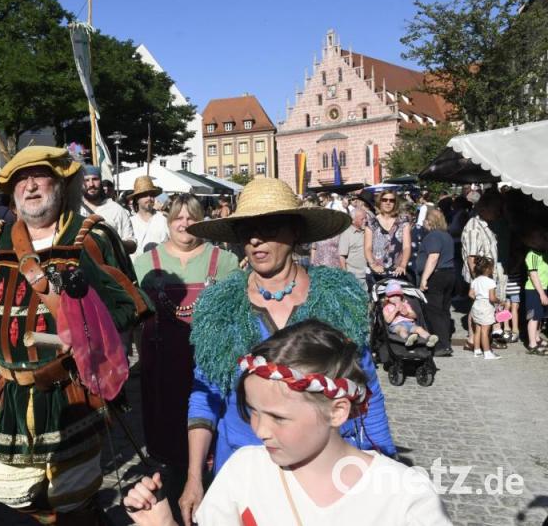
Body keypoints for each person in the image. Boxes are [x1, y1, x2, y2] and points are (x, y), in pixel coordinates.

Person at [177, 178, 396, 526]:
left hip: (327, 470)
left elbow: (366, 387)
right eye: (246, 229)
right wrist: (193, 478)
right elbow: (205, 397)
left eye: (268, 227)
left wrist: (385, 457)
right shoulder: (219, 308)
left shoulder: (339, 298)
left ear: (295, 231)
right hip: (247, 468)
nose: (255, 239)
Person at [0, 146, 149, 524]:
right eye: (20, 180)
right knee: (8, 489)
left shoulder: (90, 237)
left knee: (72, 493)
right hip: (8, 390)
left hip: (70, 390)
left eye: (39, 176)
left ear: (60, 184)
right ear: (11, 192)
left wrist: (85, 326)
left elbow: (130, 304)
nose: (30, 186)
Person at [124, 320, 450, 526]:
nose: (260, 430)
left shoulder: (404, 496)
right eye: (252, 411)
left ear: (337, 411)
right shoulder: (244, 472)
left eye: (279, 417)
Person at [133, 194, 238, 501]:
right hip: (163, 368)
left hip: (209, 366)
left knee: (211, 437)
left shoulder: (226, 261)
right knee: (170, 446)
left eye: (191, 217)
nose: (184, 223)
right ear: (168, 221)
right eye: (178, 217)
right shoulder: (144, 264)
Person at [461, 192, 505, 345]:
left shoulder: (486, 224)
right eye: (497, 208)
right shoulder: (474, 227)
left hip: (486, 276)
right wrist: (477, 281)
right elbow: (471, 258)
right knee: (478, 308)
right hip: (479, 276)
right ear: (486, 208)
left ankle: (483, 338)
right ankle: (472, 339)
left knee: (484, 308)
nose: (499, 212)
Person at [416, 208, 456, 356]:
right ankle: (445, 341)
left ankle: (441, 344)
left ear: (429, 221)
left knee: (434, 311)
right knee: (444, 310)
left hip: (436, 276)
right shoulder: (446, 235)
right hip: (449, 274)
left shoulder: (433, 236)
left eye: (425, 220)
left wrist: (424, 278)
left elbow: (433, 257)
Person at [79, 165, 136, 253]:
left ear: (101, 181)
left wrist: (113, 242)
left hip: (108, 265)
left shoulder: (116, 209)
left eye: (95, 179)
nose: (91, 184)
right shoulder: (75, 209)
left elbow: (132, 245)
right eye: (86, 180)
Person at [364, 190, 412, 286]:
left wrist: (403, 265)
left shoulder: (403, 222)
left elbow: (406, 247)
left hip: (397, 272)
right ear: (380, 202)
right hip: (377, 272)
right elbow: (367, 247)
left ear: (395, 203)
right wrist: (373, 265)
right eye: (384, 200)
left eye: (391, 200)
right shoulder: (371, 222)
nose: (388, 202)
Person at [382, 281, 438, 347]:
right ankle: (408, 338)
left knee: (419, 329)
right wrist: (395, 311)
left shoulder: (405, 304)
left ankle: (430, 338)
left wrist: (407, 314)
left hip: (410, 324)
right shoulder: (386, 307)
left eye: (397, 295)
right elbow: (387, 320)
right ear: (387, 298)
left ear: (401, 296)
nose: (395, 297)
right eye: (392, 296)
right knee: (402, 329)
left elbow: (414, 316)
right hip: (396, 325)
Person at [469, 257, 501, 360]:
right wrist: (499, 301)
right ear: (487, 269)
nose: (493, 270)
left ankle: (477, 350)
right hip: (486, 306)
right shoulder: (490, 282)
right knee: (485, 331)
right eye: (492, 268)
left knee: (477, 329)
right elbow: (492, 298)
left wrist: (478, 297)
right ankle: (487, 352)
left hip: (476, 305)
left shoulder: (475, 281)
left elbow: (470, 294)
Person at [129, 176, 169, 256]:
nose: (149, 198)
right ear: (137, 199)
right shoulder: (130, 222)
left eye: (152, 195)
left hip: (160, 266)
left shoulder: (163, 220)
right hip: (135, 267)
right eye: (145, 195)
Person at [523, 248, 548, 355]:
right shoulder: (532, 254)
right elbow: (533, 275)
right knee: (533, 317)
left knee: (539, 316)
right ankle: (532, 345)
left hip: (544, 288)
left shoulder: (543, 253)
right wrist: (542, 294)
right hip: (534, 290)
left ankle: (537, 338)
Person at [338, 206, 368, 288]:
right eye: (362, 219)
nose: (365, 221)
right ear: (353, 220)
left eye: (366, 218)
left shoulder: (368, 231)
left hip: (368, 274)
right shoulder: (347, 233)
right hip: (354, 275)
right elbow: (341, 256)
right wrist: (345, 274)